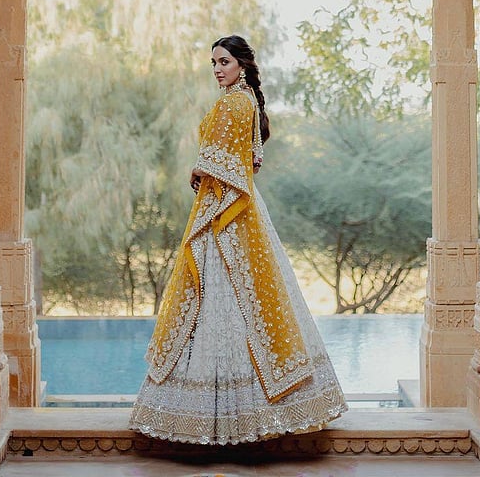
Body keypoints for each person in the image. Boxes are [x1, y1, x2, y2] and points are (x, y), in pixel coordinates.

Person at [129, 35, 347, 445]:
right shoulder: (246, 101)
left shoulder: (234, 102)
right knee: (251, 301)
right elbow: (249, 160)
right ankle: (261, 410)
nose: (216, 70)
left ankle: (217, 415)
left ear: (242, 65)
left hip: (225, 213)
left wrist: (198, 169)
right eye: (213, 63)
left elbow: (224, 162)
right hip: (241, 210)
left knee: (219, 301)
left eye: (224, 62)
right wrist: (206, 167)